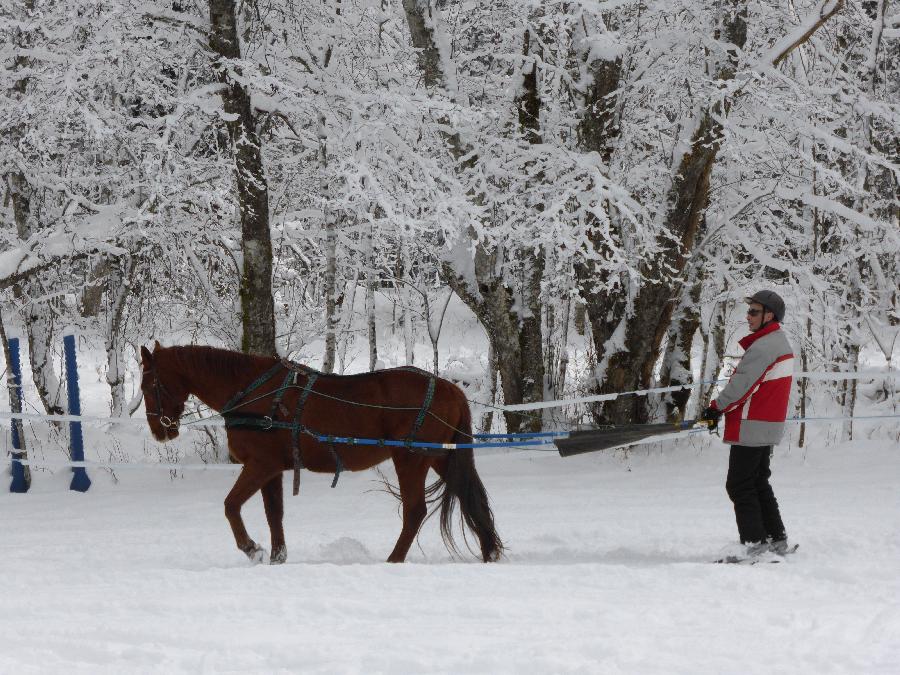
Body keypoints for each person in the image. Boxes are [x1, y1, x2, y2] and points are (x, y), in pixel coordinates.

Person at [701, 290, 794, 560]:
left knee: (740, 484)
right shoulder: (778, 342)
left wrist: (715, 409)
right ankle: (776, 539)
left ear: (769, 316)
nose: (748, 317)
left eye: (754, 312)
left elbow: (742, 386)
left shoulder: (764, 346)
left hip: (753, 424)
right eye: (749, 311)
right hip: (766, 423)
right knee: (757, 481)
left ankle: (754, 544)